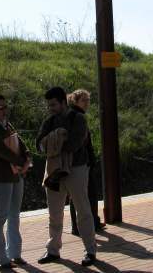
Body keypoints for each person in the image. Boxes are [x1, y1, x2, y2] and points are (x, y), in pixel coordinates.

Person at [35, 86, 97, 267]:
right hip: (54, 169)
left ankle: (90, 250)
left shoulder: (79, 119)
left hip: (76, 168)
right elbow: (39, 144)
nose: (51, 108)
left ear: (63, 102)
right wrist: (56, 140)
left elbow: (74, 144)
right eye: (49, 105)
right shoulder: (48, 121)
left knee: (83, 211)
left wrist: (52, 142)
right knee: (54, 212)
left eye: (53, 104)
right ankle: (53, 250)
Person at [0, 95, 31, 269]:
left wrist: (27, 159)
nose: (5, 110)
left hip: (17, 175)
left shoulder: (6, 125)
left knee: (14, 215)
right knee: (0, 217)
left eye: (6, 107)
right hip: (2, 177)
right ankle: (0, 258)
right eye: (0, 107)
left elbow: (20, 143)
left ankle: (15, 253)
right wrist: (21, 163)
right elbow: (2, 152)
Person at [67, 89, 105, 236]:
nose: (87, 103)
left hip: (81, 162)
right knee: (89, 192)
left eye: (87, 100)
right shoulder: (76, 116)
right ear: (75, 102)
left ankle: (80, 224)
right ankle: (89, 223)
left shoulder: (75, 115)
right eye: (83, 100)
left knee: (78, 194)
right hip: (81, 163)